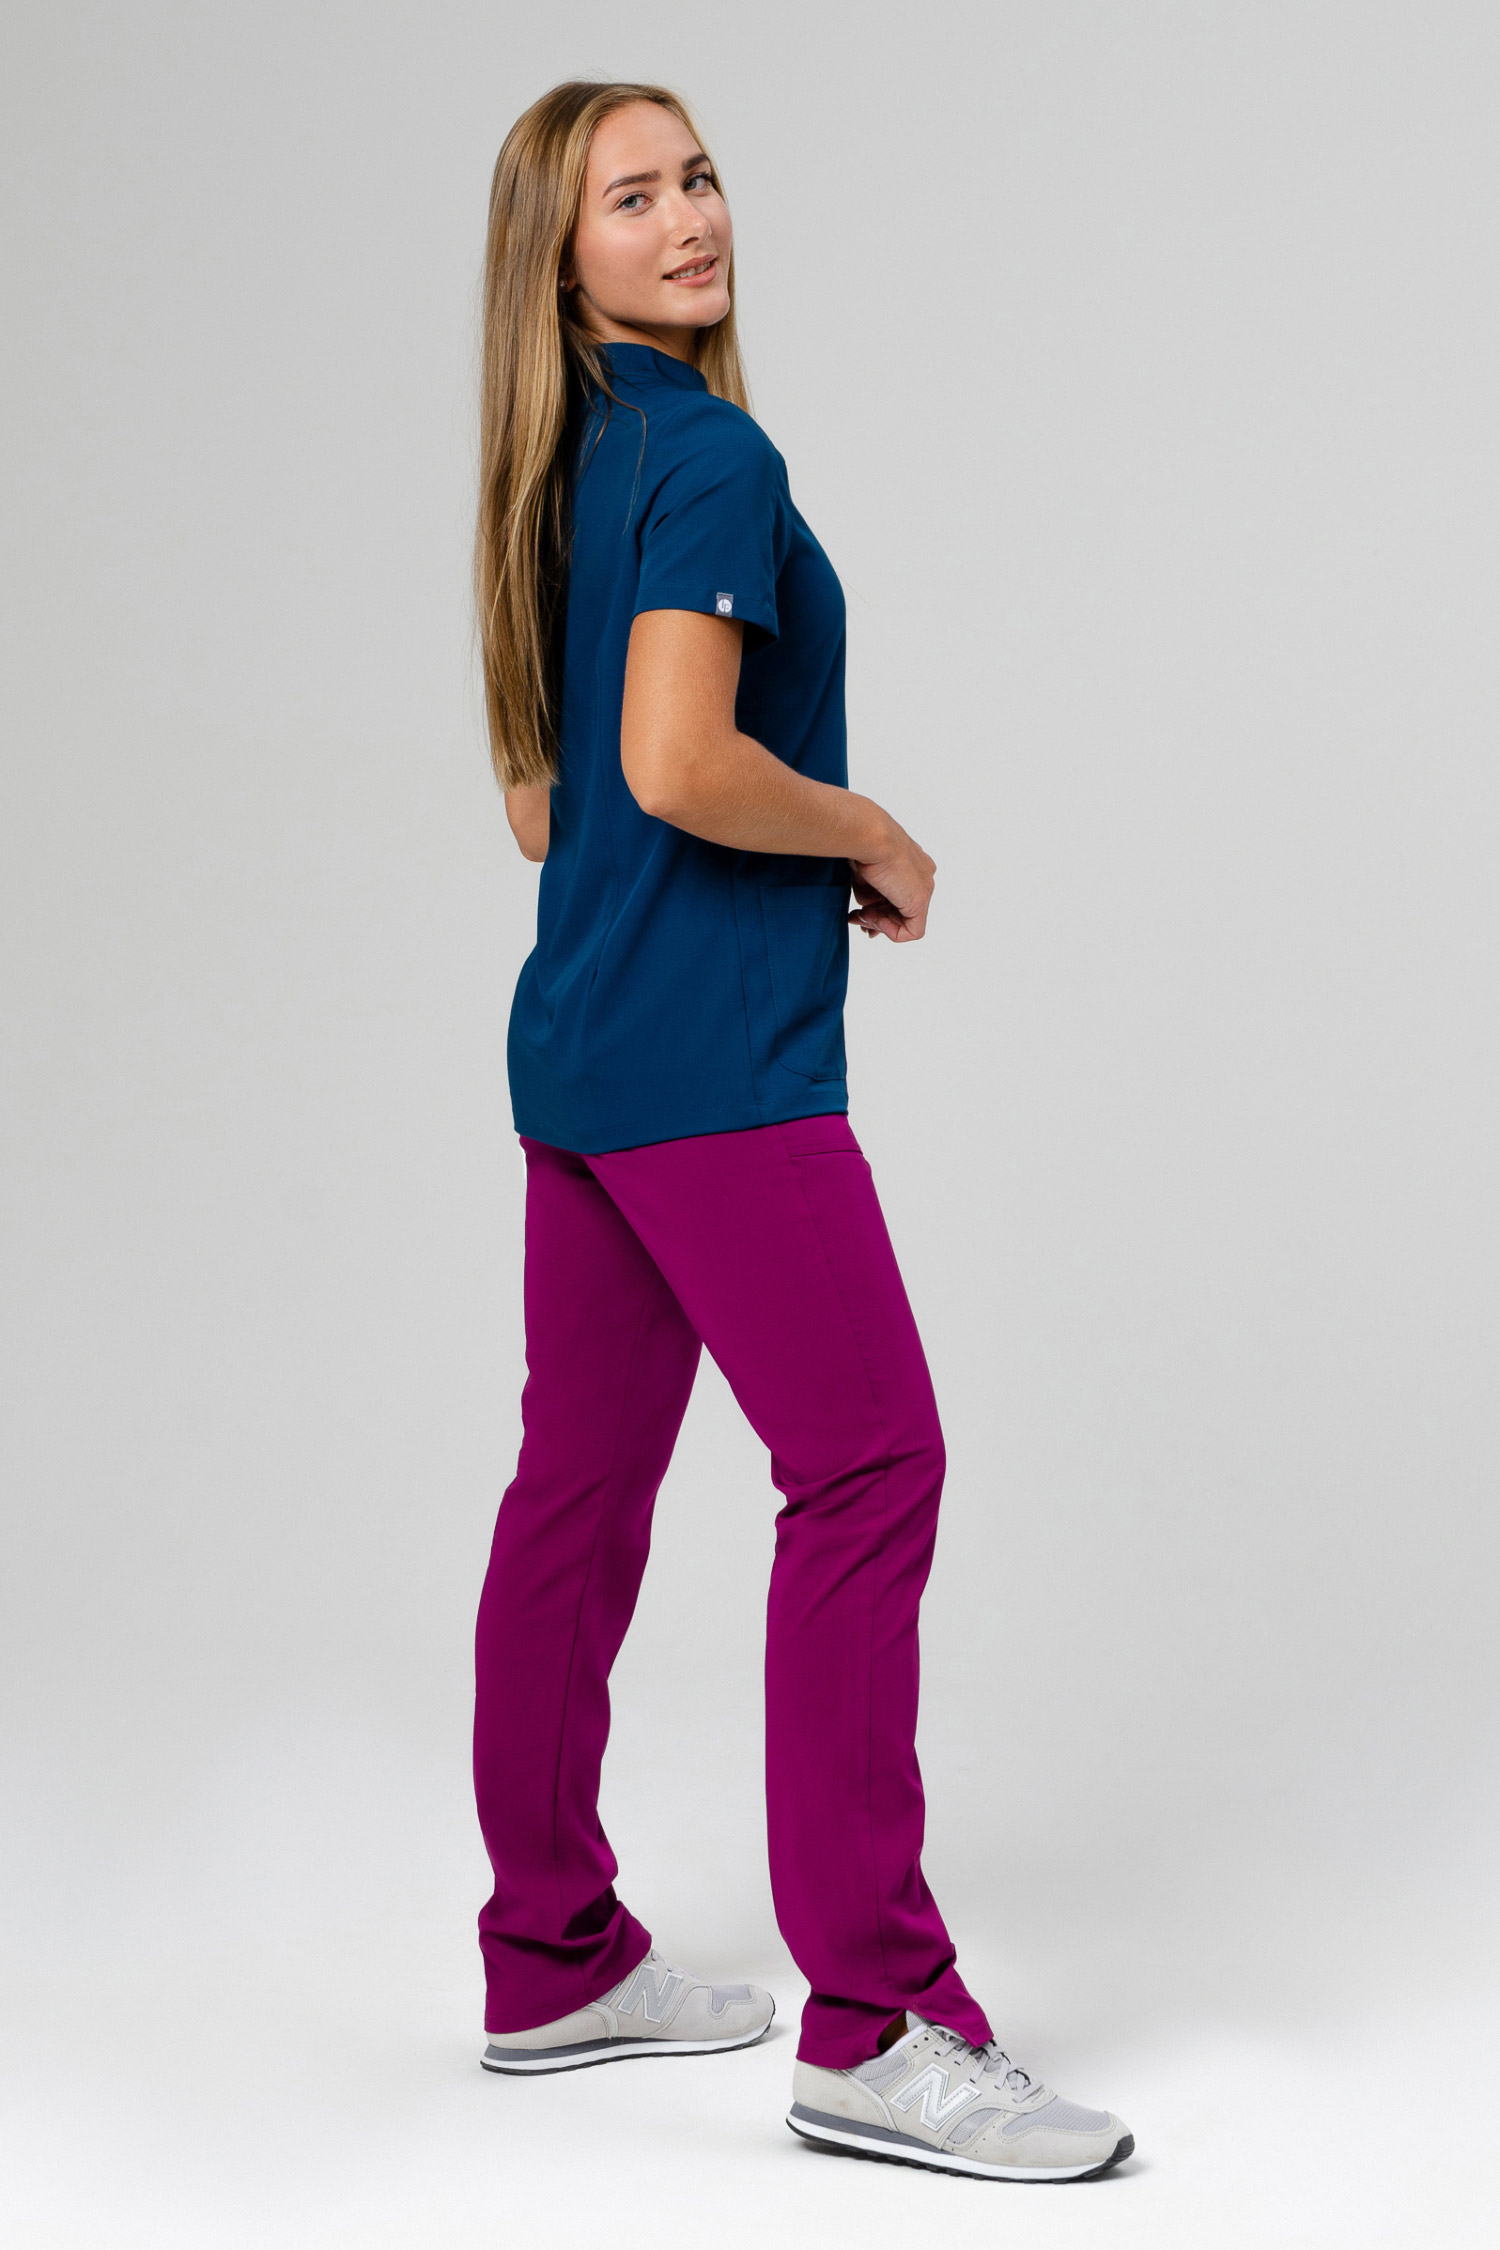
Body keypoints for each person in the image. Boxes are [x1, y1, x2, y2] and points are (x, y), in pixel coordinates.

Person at [469, 79, 1133, 2183]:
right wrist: (867, 830)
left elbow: (545, 801)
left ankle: (548, 1952)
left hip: (582, 1052)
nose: (688, 218)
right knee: (868, 1466)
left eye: (696, 176)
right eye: (630, 198)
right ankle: (879, 2020)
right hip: (714, 1070)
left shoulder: (562, 460)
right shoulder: (713, 455)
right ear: (561, 256)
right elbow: (674, 764)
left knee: (577, 1485)